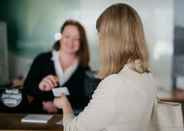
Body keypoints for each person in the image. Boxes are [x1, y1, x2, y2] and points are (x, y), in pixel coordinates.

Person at [54, 3, 157, 131]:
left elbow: (74, 129)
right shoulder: (148, 77)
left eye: (101, 36)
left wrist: (65, 105)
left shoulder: (114, 84)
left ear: (111, 41)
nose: (100, 43)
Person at [23, 19, 91, 113]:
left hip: (68, 123)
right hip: (38, 119)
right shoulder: (42, 59)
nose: (71, 42)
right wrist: (39, 86)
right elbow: (27, 88)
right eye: (67, 36)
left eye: (76, 38)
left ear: (82, 42)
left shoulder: (85, 69)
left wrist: (58, 106)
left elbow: (85, 102)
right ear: (60, 37)